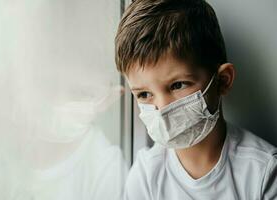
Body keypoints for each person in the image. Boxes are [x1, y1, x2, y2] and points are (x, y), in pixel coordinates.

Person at [114, 0, 277, 199]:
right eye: (144, 94)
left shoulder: (263, 171)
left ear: (222, 81)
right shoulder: (146, 174)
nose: (162, 108)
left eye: (178, 85)